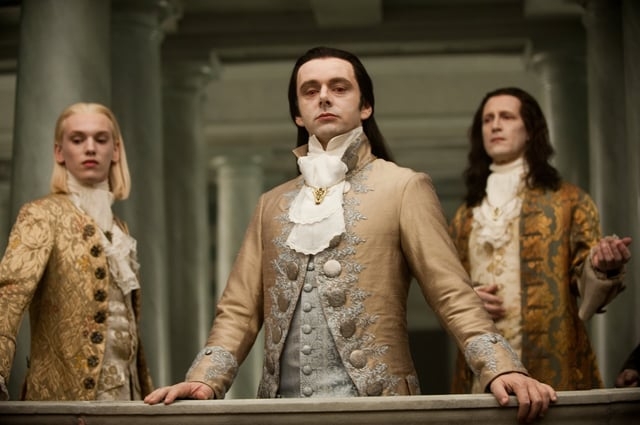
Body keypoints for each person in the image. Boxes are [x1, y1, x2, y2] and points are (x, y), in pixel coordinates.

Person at [144, 47, 556, 423]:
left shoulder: (404, 187)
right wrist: (205, 380)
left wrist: (500, 366)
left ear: (365, 106)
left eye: (339, 88)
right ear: (298, 114)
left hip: (380, 410)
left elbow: (451, 292)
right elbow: (238, 311)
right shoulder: (271, 203)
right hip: (281, 412)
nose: (324, 97)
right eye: (310, 91)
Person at [449, 87, 632, 394]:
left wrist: (602, 266)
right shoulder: (464, 215)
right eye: (487, 119)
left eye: (507, 117)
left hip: (552, 361)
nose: (495, 126)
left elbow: (584, 283)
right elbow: (448, 283)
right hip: (482, 367)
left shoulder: (569, 201)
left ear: (531, 131)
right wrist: (467, 299)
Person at [0, 102, 153, 401]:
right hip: (64, 399)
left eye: (101, 139)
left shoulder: (120, 230)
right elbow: (9, 295)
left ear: (116, 150)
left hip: (128, 399)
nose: (90, 148)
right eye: (78, 139)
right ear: (60, 152)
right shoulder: (41, 214)